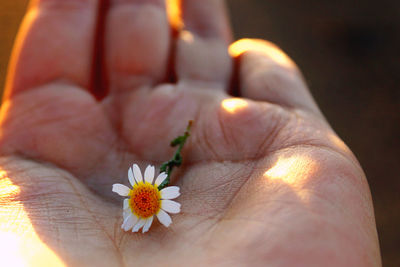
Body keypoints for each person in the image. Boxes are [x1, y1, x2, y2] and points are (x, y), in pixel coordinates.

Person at [0, 0, 381, 266]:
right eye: (144, 200)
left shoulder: (149, 201)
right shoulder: (145, 201)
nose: (143, 201)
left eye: (145, 200)